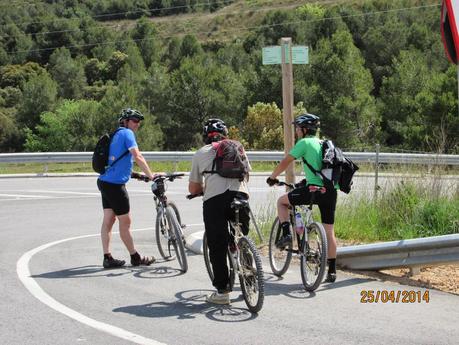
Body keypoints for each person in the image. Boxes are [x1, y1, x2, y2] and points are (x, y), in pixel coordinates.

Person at [266, 113, 338, 283]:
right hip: (330, 191)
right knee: (329, 231)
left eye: (298, 128)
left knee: (282, 202)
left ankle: (286, 234)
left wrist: (272, 177)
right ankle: (332, 271)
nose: (297, 131)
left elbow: (286, 161)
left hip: (312, 190)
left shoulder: (304, 143)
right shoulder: (324, 143)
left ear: (305, 129)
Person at [188, 118, 251, 305]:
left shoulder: (200, 153)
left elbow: (193, 188)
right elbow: (247, 174)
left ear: (205, 137)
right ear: (226, 135)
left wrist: (203, 188)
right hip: (241, 196)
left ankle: (222, 292)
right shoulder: (238, 147)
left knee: (216, 245)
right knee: (242, 235)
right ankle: (248, 265)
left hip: (215, 200)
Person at [97, 108, 157, 269]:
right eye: (135, 121)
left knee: (108, 220)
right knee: (125, 222)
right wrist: (152, 176)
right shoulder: (127, 134)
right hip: (115, 186)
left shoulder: (116, 135)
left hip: (104, 182)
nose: (137, 124)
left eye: (139, 122)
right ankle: (135, 257)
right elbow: (137, 156)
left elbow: (118, 163)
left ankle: (107, 257)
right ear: (125, 121)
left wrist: (138, 175)